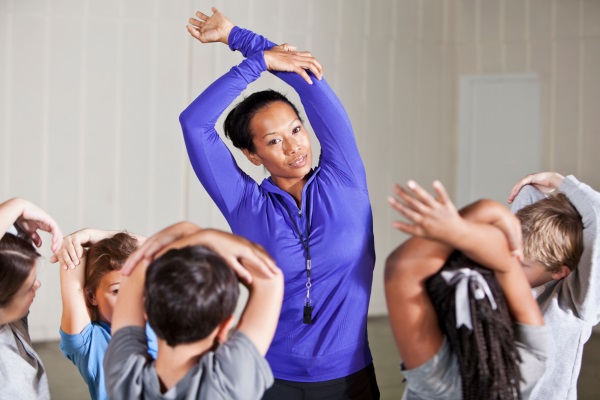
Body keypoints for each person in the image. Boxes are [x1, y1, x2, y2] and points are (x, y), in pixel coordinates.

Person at [173, 7, 379, 398]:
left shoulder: (345, 178)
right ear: (253, 155)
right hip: (269, 380)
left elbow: (308, 77)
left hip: (350, 379)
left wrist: (240, 37)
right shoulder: (245, 203)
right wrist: (259, 63)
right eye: (273, 141)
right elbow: (194, 124)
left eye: (296, 129)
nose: (294, 146)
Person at [385, 180, 548, 399]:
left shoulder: (438, 381)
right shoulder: (531, 358)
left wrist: (490, 212)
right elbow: (507, 264)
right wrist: (459, 228)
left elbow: (403, 269)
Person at [103, 222, 284, 399]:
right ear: (224, 328)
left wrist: (192, 234)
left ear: (147, 314)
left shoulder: (124, 379)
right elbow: (270, 278)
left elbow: (134, 272)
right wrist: (203, 236)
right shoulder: (230, 384)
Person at [506, 172, 599, 400]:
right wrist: (531, 192)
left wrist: (559, 181)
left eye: (523, 265)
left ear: (559, 271)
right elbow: (525, 206)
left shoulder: (574, 303)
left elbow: (598, 217)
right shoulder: (509, 276)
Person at [51, 229, 159, 400]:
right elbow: (73, 260)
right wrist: (75, 243)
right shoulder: (89, 342)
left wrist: (93, 235)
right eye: (117, 291)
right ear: (92, 296)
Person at [0, 197, 63, 400]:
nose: (38, 285)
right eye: (28, 288)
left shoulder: (10, 320)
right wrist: (19, 205)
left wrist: (20, 223)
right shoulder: (11, 384)